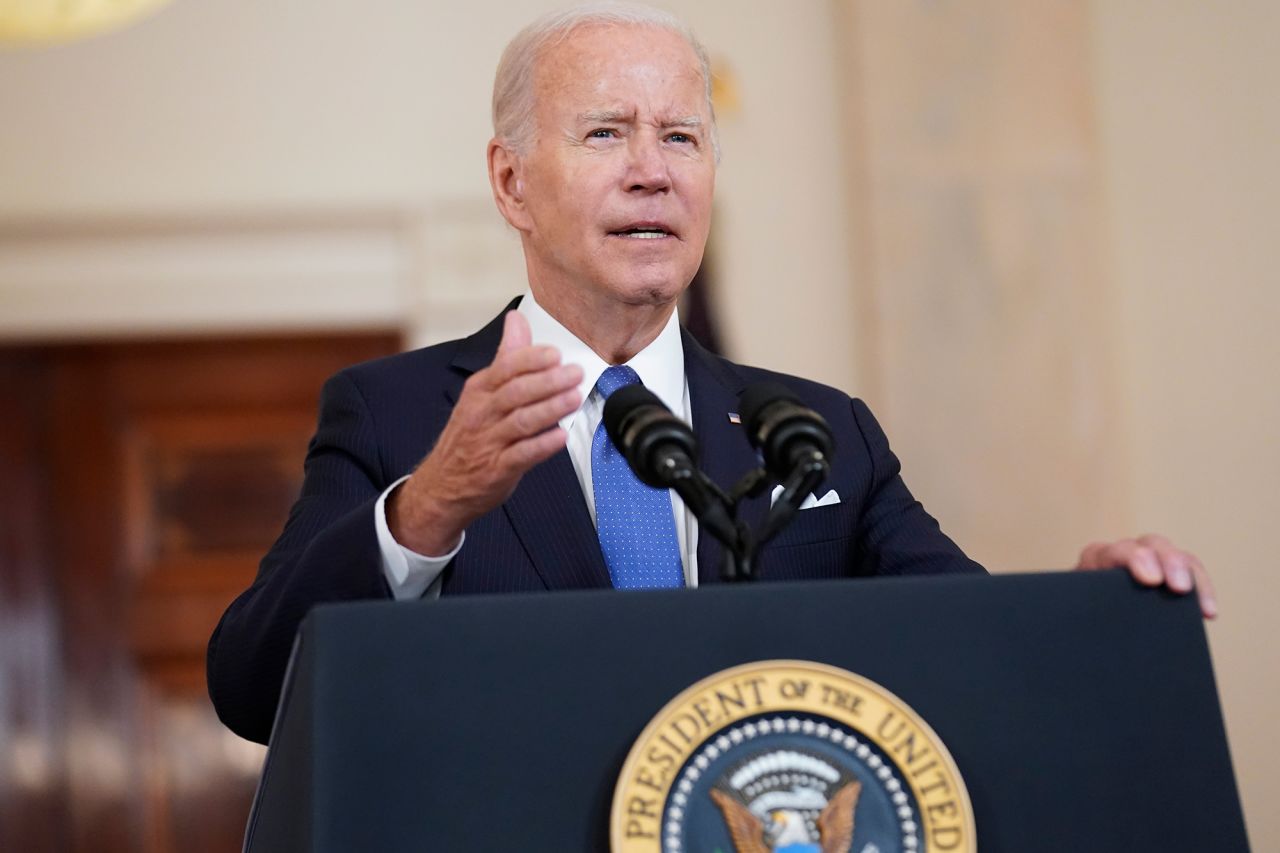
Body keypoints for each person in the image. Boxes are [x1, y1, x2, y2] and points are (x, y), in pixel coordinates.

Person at [206, 3, 1215, 746]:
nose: (652, 168)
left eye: (680, 136)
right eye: (605, 132)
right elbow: (252, 687)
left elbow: (965, 649)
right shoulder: (395, 415)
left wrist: (1083, 614)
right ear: (510, 182)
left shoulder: (819, 432)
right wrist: (423, 512)